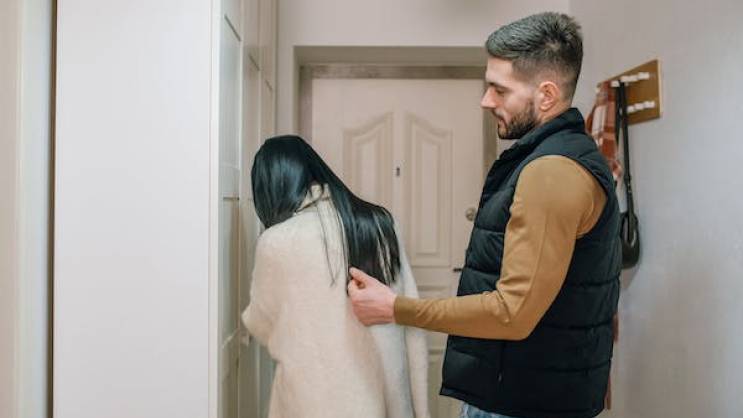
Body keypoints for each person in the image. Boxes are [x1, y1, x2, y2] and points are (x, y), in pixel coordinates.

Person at [348, 12, 621, 418]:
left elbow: (512, 313)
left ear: (546, 95)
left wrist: (395, 307)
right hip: (529, 395)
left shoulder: (552, 172)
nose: (486, 100)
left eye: (499, 89)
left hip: (523, 405)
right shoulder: (552, 157)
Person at [241, 135, 430, 418]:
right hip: (384, 401)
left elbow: (261, 323)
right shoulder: (379, 223)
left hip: (311, 404)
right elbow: (411, 319)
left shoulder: (277, 242)